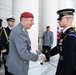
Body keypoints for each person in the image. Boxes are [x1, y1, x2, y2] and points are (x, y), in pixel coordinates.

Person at [43, 8, 76, 75]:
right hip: (61, 64)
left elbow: (70, 61)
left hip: (66, 69)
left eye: (60, 19)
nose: (58, 21)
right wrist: (46, 55)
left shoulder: (71, 36)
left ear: (68, 19)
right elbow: (59, 47)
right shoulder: (65, 33)